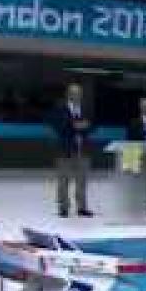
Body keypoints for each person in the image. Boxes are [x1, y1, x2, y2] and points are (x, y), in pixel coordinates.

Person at [51, 83, 94, 218]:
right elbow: (59, 126)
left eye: (79, 93)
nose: (77, 96)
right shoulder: (60, 108)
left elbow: (91, 125)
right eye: (74, 93)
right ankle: (63, 207)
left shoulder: (86, 108)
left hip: (83, 149)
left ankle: (82, 207)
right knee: (63, 180)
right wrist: (75, 125)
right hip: (65, 150)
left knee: (82, 180)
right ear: (68, 94)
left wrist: (83, 127)